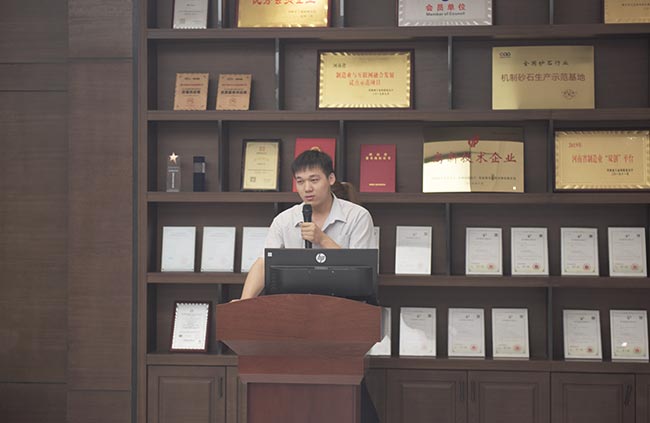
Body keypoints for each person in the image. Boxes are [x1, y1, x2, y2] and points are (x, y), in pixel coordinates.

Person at [239, 149, 376, 300]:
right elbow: (263, 264)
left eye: (314, 180)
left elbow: (361, 273)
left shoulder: (358, 216)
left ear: (331, 179)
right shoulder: (284, 220)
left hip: (344, 303)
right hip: (296, 303)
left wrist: (322, 239)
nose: (307, 188)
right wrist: (244, 303)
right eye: (300, 181)